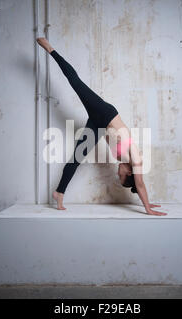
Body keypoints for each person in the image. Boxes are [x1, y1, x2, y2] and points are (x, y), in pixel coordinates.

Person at [36, 38, 166, 216]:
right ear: (129, 172)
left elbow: (139, 186)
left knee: (76, 157)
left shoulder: (125, 159)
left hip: (99, 124)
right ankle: (50, 49)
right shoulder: (136, 159)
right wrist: (148, 209)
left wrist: (149, 202)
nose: (117, 174)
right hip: (105, 113)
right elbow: (140, 184)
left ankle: (59, 192)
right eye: (120, 176)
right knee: (75, 82)